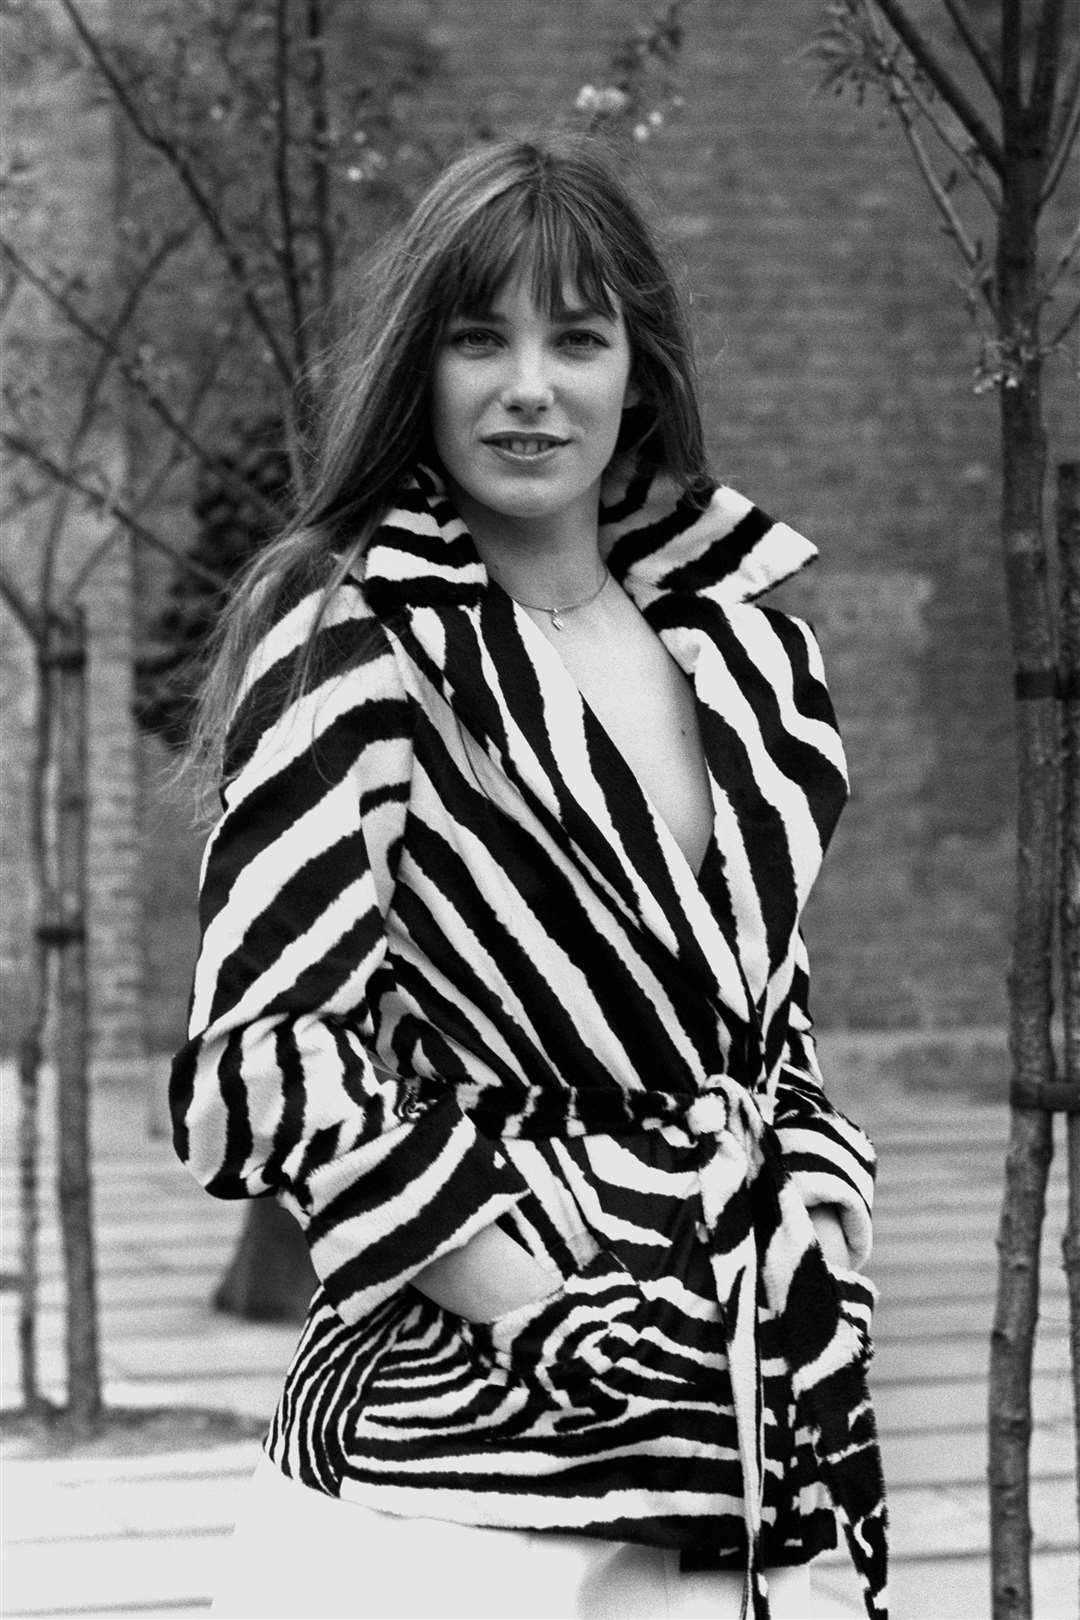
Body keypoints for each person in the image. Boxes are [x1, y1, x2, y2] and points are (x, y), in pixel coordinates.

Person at [171, 132, 887, 1620]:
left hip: (727, 1420)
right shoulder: (357, 642)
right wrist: (540, 1314)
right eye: (478, 338)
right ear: (417, 371)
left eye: (578, 338)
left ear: (641, 367)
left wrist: (815, 1203)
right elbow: (268, 1051)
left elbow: (765, 1008)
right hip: (459, 1476)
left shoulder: (746, 652)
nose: (530, 387)